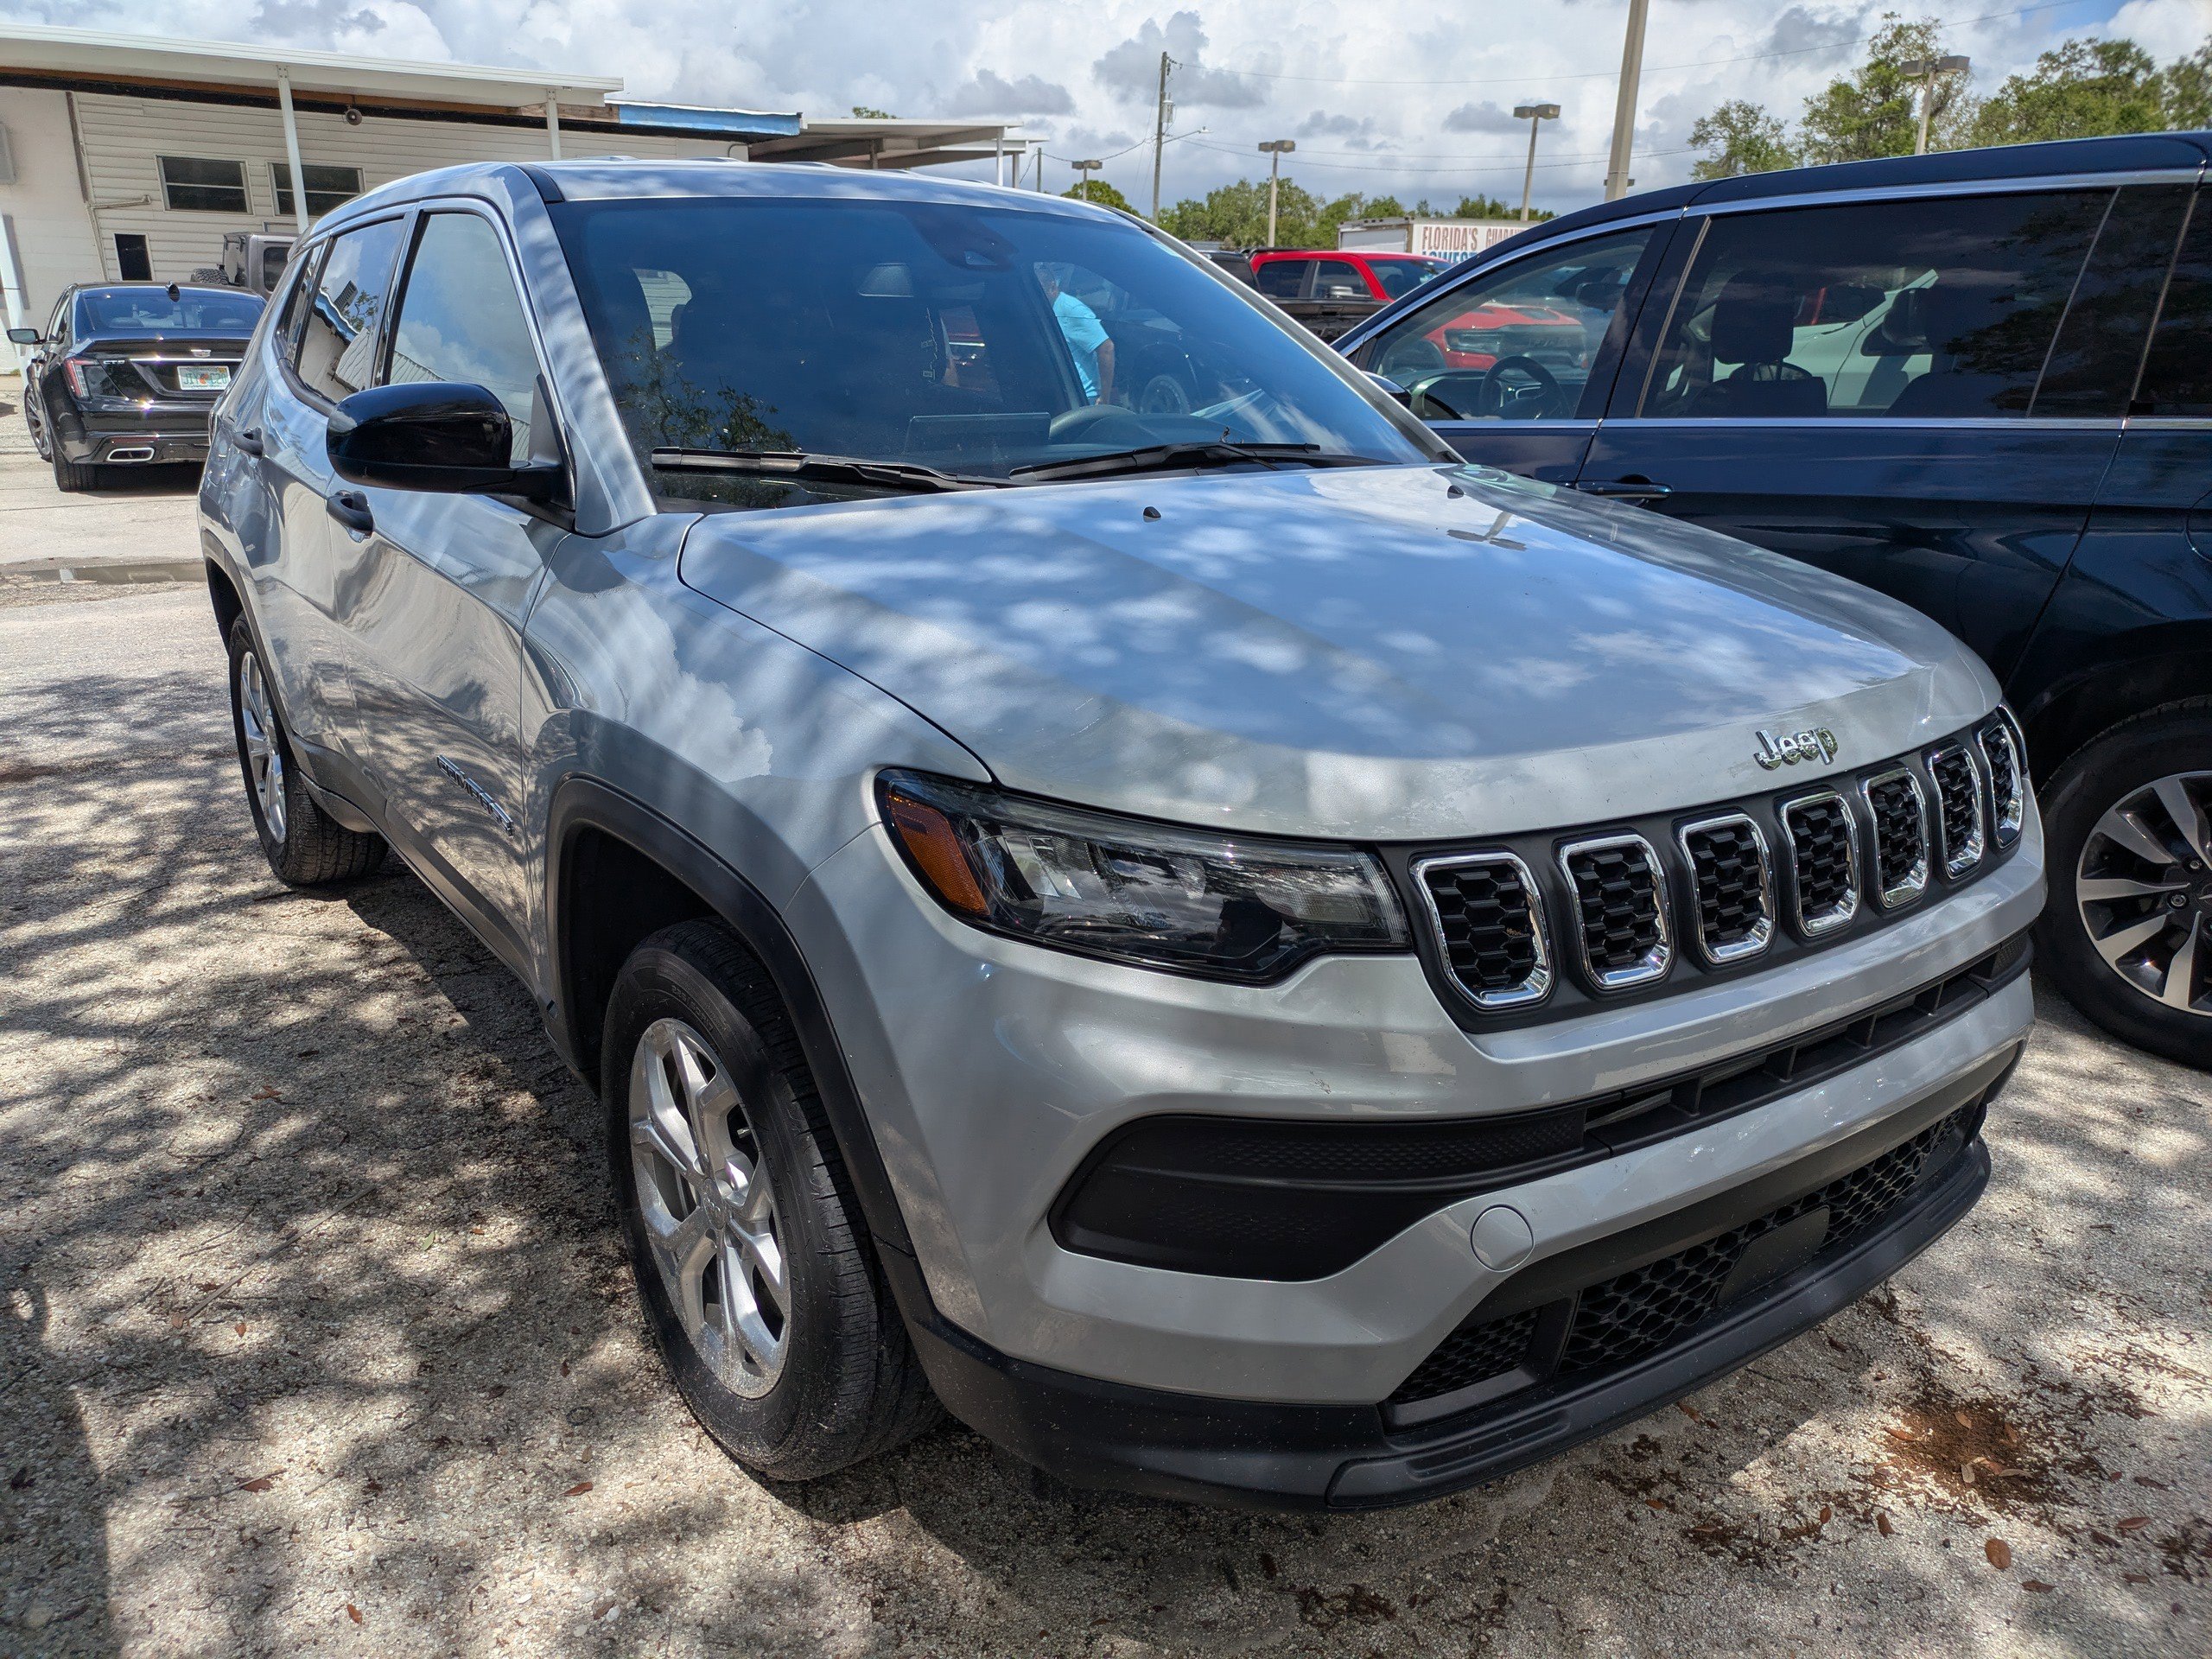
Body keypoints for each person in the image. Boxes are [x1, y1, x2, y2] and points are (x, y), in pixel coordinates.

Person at [1037, 264, 1115, 404]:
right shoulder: (1045, 309)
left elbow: (1106, 347)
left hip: (1082, 396)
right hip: (1060, 394)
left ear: (1053, 288)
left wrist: (1105, 397)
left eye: (1040, 292)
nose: (1037, 297)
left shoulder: (1071, 309)